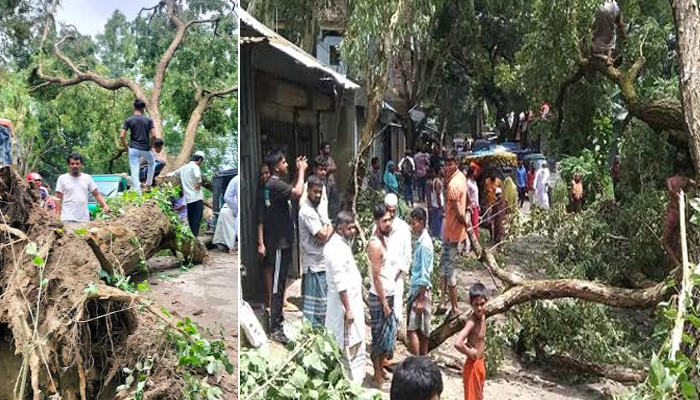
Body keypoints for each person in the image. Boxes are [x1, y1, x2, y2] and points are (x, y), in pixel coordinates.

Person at [264, 150, 308, 344]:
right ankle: (275, 328)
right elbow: (297, 193)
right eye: (284, 162)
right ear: (276, 166)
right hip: (279, 242)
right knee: (277, 284)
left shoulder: (274, 185)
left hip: (281, 240)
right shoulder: (273, 184)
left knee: (280, 283)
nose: (287, 164)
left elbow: (289, 191)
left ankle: (277, 321)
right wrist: (302, 171)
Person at [324, 211, 365, 383]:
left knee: (354, 343)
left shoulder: (342, 243)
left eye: (354, 227)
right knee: (346, 345)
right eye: (350, 228)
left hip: (352, 303)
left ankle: (352, 381)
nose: (354, 231)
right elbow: (340, 283)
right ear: (340, 228)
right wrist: (348, 309)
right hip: (343, 308)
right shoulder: (335, 249)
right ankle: (348, 383)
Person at [368, 204, 398, 386]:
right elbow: (376, 277)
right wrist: (384, 303)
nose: (388, 223)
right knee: (378, 336)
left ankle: (380, 368)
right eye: (385, 220)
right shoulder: (375, 245)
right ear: (377, 222)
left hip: (389, 294)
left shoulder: (385, 241)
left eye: (390, 219)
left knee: (387, 336)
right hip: (380, 298)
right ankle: (376, 373)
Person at [298, 175, 334, 328]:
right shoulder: (307, 210)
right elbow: (324, 234)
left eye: (320, 192)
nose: (318, 195)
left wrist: (327, 227)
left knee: (323, 307)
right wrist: (327, 229)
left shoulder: (317, 208)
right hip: (313, 265)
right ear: (308, 191)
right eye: (315, 192)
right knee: (313, 312)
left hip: (321, 263)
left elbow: (329, 228)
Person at [439, 150, 469, 316]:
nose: (447, 167)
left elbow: (458, 212)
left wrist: (466, 223)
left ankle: (455, 308)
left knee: (449, 270)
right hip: (450, 231)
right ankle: (443, 301)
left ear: (455, 164)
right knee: (443, 266)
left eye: (450, 164)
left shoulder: (453, 185)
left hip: (453, 233)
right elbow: (467, 200)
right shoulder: (461, 178)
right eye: (446, 164)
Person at [380, 193, 412, 330]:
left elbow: (407, 254)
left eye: (394, 211)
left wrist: (399, 273)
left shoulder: (403, 227)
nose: (391, 214)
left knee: (396, 305)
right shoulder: (378, 227)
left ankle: (395, 333)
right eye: (389, 210)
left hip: (397, 276)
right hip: (381, 275)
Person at [407, 207, 433, 356]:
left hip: (421, 290)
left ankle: (418, 361)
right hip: (419, 289)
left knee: (413, 330)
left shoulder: (424, 245)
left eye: (414, 223)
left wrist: (421, 298)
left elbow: (424, 273)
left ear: (421, 222)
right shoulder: (422, 241)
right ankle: (422, 360)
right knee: (422, 329)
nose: (412, 226)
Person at [455, 283, 488, 400]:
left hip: (480, 364)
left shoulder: (483, 316)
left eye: (482, 304)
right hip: (472, 366)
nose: (479, 308)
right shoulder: (472, 322)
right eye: (476, 305)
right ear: (471, 305)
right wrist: (470, 353)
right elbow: (458, 343)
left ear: (486, 302)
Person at [55, 153, 111, 222]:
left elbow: (96, 193)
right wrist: (57, 215)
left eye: (77, 163)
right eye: (72, 164)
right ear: (68, 165)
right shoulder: (62, 178)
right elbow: (58, 198)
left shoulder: (87, 178)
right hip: (67, 218)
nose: (75, 166)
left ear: (81, 165)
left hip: (84, 219)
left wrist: (105, 205)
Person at [121, 98, 157, 194]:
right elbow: (154, 135)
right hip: (145, 148)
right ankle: (148, 184)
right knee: (152, 162)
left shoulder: (129, 120)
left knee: (134, 171)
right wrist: (151, 146)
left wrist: (126, 148)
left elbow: (122, 135)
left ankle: (138, 194)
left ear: (134, 107)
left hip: (133, 148)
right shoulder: (148, 120)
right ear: (143, 108)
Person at [166, 151, 205, 236]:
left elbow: (173, 173)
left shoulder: (184, 167)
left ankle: (191, 238)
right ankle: (194, 239)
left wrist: (164, 176)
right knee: (196, 220)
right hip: (196, 198)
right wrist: (199, 183)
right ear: (200, 159)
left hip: (188, 199)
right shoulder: (195, 166)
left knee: (191, 221)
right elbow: (198, 175)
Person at [663, 176, 697, 269]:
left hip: (673, 214)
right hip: (680, 214)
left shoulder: (670, 180)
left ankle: (678, 265)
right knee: (675, 240)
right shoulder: (687, 180)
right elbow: (696, 184)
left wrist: (675, 195)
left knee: (665, 243)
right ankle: (678, 264)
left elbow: (670, 190)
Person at [256, 164, 273, 311]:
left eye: (267, 173)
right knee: (268, 267)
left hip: (276, 235)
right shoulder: (262, 193)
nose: (265, 176)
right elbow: (260, 220)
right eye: (262, 174)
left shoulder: (274, 190)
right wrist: (261, 243)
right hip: (267, 235)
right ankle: (270, 300)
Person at [591, 0, 626, 66]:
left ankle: (602, 57)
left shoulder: (598, 4)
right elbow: (620, 25)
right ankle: (608, 59)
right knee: (612, 37)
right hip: (608, 37)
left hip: (597, 37)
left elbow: (592, 23)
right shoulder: (615, 7)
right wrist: (624, 38)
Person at [300, 156, 330, 221]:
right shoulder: (308, 186)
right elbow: (303, 206)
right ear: (314, 170)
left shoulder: (323, 187)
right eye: (321, 169)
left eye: (325, 170)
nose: (323, 172)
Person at [214, 175, 238, 254]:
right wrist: (236, 210)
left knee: (227, 227)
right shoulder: (237, 180)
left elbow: (227, 197)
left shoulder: (235, 179)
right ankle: (231, 248)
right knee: (231, 228)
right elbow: (227, 198)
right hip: (230, 209)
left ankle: (222, 245)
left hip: (226, 208)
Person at [428, 167, 444, 239]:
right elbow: (438, 195)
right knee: (438, 226)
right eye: (441, 169)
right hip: (437, 206)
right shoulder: (438, 182)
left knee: (435, 225)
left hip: (435, 206)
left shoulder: (434, 181)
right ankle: (437, 241)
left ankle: (435, 239)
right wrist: (441, 206)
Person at [466, 167, 480, 240]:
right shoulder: (468, 183)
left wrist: (478, 205)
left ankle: (476, 239)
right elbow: (467, 195)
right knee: (474, 224)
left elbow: (476, 195)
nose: (476, 173)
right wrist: (470, 205)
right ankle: (474, 241)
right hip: (472, 206)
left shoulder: (474, 182)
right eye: (475, 172)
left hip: (476, 205)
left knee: (476, 224)